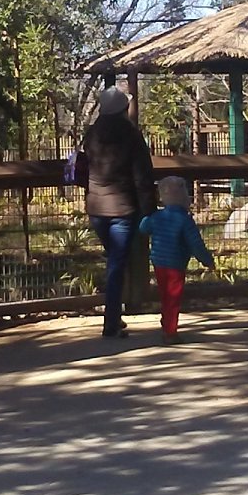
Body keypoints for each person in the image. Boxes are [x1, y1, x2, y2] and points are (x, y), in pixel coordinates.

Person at [84, 86, 155, 337]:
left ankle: (115, 315)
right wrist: (149, 210)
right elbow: (142, 176)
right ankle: (111, 323)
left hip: (96, 208)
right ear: (123, 109)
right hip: (123, 208)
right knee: (116, 264)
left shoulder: (91, 134)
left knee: (115, 262)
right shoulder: (131, 136)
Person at [140, 176, 217, 344]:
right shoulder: (184, 219)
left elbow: (143, 227)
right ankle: (170, 332)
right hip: (176, 263)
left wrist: (148, 214)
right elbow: (196, 243)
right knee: (174, 298)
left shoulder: (158, 216)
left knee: (165, 295)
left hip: (159, 262)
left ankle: (166, 321)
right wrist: (207, 260)